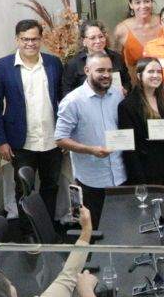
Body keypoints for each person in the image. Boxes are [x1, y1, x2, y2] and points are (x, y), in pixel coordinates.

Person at [0, 20, 64, 228]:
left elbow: (64, 101)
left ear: (41, 39)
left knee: (51, 186)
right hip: (20, 141)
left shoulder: (54, 63)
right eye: (25, 39)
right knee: (23, 189)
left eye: (34, 39)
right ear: (17, 40)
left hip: (52, 139)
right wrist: (1, 141)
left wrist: (65, 135)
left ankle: (47, 229)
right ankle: (27, 233)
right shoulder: (2, 66)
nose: (30, 43)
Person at [54, 50, 128, 227]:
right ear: (87, 70)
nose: (106, 75)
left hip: (120, 175)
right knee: (95, 231)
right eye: (100, 70)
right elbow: (60, 139)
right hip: (92, 181)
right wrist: (91, 150)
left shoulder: (117, 94)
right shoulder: (72, 101)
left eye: (109, 70)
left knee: (121, 228)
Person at [117, 56, 164, 189]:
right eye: (151, 71)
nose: (156, 75)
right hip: (147, 169)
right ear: (139, 75)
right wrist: (139, 180)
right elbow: (129, 147)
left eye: (159, 72)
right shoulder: (128, 105)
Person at [61, 19, 130, 94]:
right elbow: (66, 91)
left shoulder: (117, 58)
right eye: (92, 38)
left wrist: (125, 90)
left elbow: (127, 82)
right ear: (83, 41)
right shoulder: (73, 64)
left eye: (101, 36)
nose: (98, 41)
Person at [113, 0, 162, 77]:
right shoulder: (121, 30)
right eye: (137, 2)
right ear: (131, 5)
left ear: (151, 1)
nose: (143, 6)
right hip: (135, 83)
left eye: (146, 1)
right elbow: (114, 62)